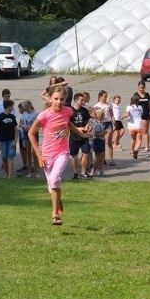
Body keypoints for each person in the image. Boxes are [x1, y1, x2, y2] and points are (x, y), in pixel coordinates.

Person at [28, 84, 91, 226]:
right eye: (56, 99)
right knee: (52, 184)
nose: (59, 102)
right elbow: (31, 133)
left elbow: (68, 124)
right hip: (47, 154)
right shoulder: (44, 115)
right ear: (50, 99)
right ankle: (58, 201)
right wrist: (39, 155)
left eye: (62, 99)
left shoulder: (68, 111)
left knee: (55, 179)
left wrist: (81, 133)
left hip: (62, 152)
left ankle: (55, 214)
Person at [68, 93, 92, 180]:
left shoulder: (84, 110)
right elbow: (67, 125)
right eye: (81, 100)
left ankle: (83, 172)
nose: (83, 102)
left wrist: (87, 126)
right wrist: (79, 128)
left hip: (84, 136)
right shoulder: (70, 111)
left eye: (84, 100)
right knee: (74, 156)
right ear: (76, 100)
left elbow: (88, 119)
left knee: (86, 152)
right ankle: (75, 173)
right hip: (74, 137)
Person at [0, 99, 18, 179]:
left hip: (11, 139)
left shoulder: (12, 117)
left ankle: (10, 175)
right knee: (4, 157)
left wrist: (15, 141)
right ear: (8, 106)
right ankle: (6, 173)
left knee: (10, 157)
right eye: (12, 106)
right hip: (2, 140)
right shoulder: (0, 117)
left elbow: (15, 129)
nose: (13, 108)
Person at [0, 88, 12, 172]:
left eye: (8, 96)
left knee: (7, 148)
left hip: (8, 131)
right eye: (5, 96)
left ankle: (5, 164)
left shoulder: (11, 106)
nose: (7, 98)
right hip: (0, 130)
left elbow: (13, 117)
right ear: (3, 96)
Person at [94, 90, 116, 166]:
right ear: (100, 97)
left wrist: (114, 122)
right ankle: (103, 159)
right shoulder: (96, 106)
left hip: (108, 122)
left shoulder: (109, 105)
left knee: (109, 139)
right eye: (104, 96)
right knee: (102, 141)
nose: (106, 98)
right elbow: (95, 116)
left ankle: (111, 159)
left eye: (106, 96)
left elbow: (112, 114)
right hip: (101, 123)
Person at [17, 100, 39, 177]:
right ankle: (29, 172)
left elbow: (36, 125)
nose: (23, 108)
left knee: (35, 153)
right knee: (28, 153)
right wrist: (24, 127)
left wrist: (29, 128)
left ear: (28, 106)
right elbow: (21, 124)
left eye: (24, 107)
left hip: (34, 134)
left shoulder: (36, 114)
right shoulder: (24, 114)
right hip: (26, 134)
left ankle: (37, 172)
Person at [133, 81, 150, 154]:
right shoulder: (136, 95)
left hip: (146, 115)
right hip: (138, 116)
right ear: (138, 87)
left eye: (143, 87)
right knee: (138, 131)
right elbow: (133, 105)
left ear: (144, 87)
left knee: (145, 131)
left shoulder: (147, 95)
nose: (141, 89)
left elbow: (149, 104)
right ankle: (137, 146)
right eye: (140, 87)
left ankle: (147, 147)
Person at [125, 94, 143, 159]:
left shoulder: (129, 107)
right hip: (139, 125)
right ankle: (136, 149)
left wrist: (123, 116)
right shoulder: (140, 107)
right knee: (139, 140)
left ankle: (132, 151)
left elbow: (127, 114)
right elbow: (141, 114)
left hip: (131, 126)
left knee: (133, 139)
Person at [91, 110, 107, 177]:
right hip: (98, 141)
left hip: (101, 140)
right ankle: (93, 170)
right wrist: (104, 133)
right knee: (99, 157)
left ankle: (101, 171)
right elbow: (96, 134)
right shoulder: (98, 124)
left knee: (102, 157)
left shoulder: (101, 123)